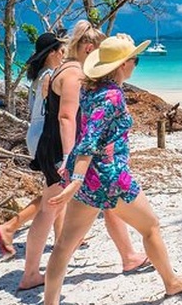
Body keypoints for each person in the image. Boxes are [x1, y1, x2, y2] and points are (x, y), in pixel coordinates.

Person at [43, 34, 182, 304]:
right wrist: (76, 180)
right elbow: (91, 138)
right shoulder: (113, 95)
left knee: (64, 246)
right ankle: (172, 283)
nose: (136, 65)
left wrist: (78, 178)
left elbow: (88, 134)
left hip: (91, 177)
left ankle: (50, 302)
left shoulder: (88, 89)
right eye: (134, 60)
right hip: (110, 177)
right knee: (150, 226)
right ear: (122, 66)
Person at [18, 21, 146, 291]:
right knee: (50, 209)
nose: (102, 63)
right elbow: (67, 117)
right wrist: (69, 158)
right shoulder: (75, 73)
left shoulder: (62, 69)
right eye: (100, 55)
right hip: (63, 148)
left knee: (101, 202)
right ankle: (30, 273)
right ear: (89, 49)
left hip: (55, 144)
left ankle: (129, 255)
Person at [0, 32, 66, 257]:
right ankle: (10, 227)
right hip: (47, 134)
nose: (64, 54)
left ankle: (63, 238)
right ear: (52, 53)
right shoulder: (50, 76)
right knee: (57, 190)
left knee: (57, 187)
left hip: (36, 132)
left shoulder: (39, 76)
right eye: (61, 50)